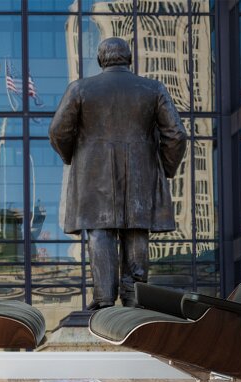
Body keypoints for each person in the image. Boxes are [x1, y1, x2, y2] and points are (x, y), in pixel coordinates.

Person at [48, 37, 188, 310]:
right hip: (141, 172)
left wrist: (72, 157)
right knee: (136, 231)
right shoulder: (153, 89)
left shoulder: (80, 89)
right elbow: (177, 135)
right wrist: (165, 167)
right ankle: (133, 296)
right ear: (128, 59)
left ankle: (103, 299)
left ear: (101, 60)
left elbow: (57, 131)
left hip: (93, 172)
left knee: (100, 232)